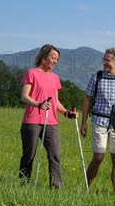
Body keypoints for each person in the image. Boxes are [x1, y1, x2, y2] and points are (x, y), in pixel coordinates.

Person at [19, 44, 78, 188]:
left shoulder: (54, 78)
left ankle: (57, 187)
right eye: (53, 57)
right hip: (32, 120)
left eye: (57, 59)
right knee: (29, 155)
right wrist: (39, 104)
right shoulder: (31, 73)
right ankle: (24, 185)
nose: (55, 61)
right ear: (43, 56)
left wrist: (66, 113)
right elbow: (24, 97)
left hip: (51, 121)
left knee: (54, 155)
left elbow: (55, 100)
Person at [80, 48, 115, 195]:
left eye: (107, 60)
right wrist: (83, 123)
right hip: (99, 120)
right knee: (98, 157)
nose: (104, 62)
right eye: (104, 59)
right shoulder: (97, 77)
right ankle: (86, 189)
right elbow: (87, 99)